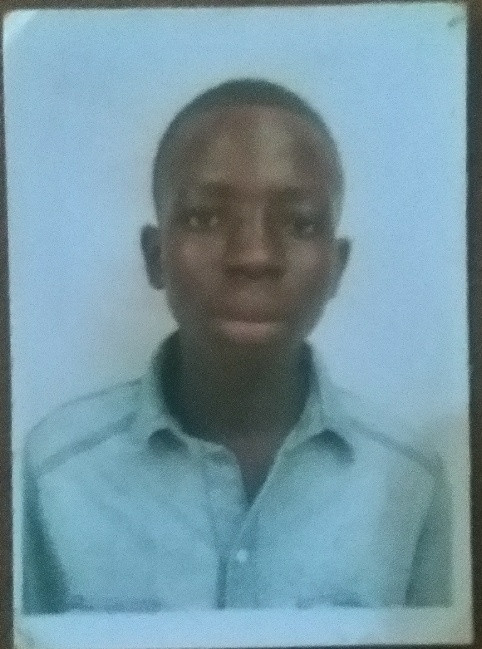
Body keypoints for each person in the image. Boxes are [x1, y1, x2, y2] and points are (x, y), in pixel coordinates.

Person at [22, 78, 451, 614]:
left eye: (299, 223)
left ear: (337, 267)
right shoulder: (54, 473)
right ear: (155, 256)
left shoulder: (409, 480)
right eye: (205, 217)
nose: (254, 257)